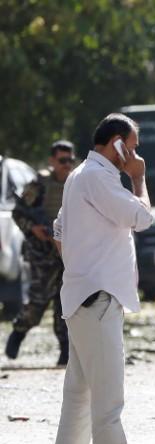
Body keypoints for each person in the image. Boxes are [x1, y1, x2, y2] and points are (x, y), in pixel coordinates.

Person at [49, 114, 154, 444]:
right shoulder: (99, 177)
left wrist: (79, 265)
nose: (136, 155)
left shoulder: (81, 175)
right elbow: (142, 218)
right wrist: (139, 179)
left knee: (80, 394)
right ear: (117, 144)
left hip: (83, 296)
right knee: (108, 397)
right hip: (98, 298)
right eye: (133, 146)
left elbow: (59, 230)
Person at [5, 140, 76, 366]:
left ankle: (65, 352)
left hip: (68, 254)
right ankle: (18, 332)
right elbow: (19, 213)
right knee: (38, 302)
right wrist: (33, 229)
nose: (67, 165)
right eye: (62, 160)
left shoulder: (78, 183)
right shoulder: (39, 185)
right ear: (52, 161)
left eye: (70, 160)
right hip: (42, 254)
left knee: (65, 305)